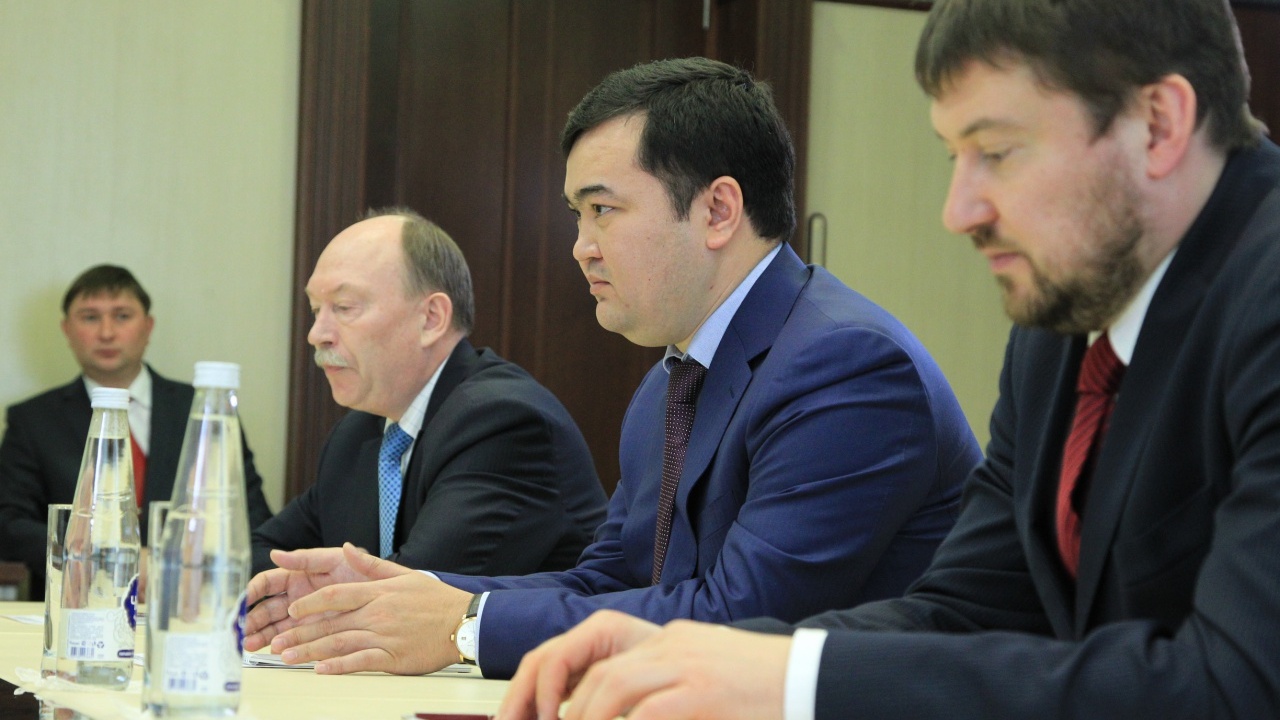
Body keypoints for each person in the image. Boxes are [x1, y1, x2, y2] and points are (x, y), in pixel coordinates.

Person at [491, 1, 1280, 718]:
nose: (958, 211)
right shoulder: (1061, 326)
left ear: (1159, 125)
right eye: (953, 157)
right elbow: (969, 609)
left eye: (997, 152)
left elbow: (1239, 686)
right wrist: (727, 659)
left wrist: (789, 682)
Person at [242, 59, 981, 680]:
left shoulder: (845, 365)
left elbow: (742, 616)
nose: (581, 246)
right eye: (577, 215)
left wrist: (465, 624)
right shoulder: (671, 380)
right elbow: (610, 578)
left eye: (603, 210)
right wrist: (403, 593)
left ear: (718, 211)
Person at [250, 208, 607, 576]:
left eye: (344, 307)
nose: (317, 334)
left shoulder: (502, 423)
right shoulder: (356, 436)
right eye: (315, 309)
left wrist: (306, 589)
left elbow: (415, 591)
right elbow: (259, 554)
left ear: (431, 318)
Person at [0, 264, 274, 599]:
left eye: (122, 316)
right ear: (67, 330)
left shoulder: (204, 409)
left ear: (148, 326)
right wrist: (105, 556)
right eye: (90, 317)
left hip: (187, 602)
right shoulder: (33, 420)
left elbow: (251, 520)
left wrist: (177, 564)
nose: (106, 332)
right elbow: (9, 526)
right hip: (75, 603)